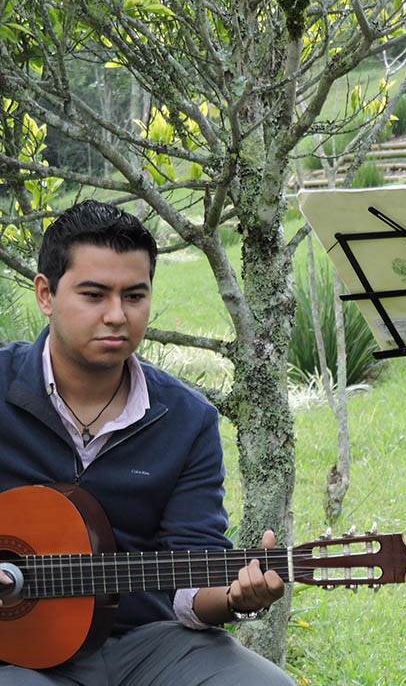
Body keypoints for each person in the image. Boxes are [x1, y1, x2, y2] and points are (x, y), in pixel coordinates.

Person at [0, 200, 291, 686]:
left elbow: (193, 568)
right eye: (94, 295)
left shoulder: (187, 418)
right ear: (46, 294)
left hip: (150, 644)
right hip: (17, 656)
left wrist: (236, 598)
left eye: (134, 296)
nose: (116, 315)